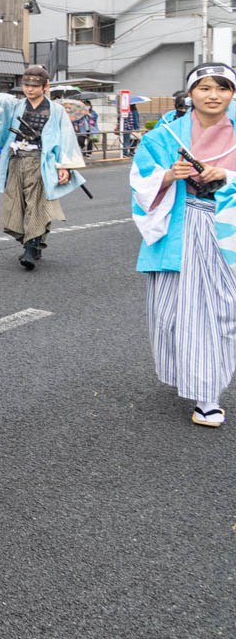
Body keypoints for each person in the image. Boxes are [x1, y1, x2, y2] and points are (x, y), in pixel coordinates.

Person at [131, 62, 236, 428]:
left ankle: (208, 391)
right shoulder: (165, 136)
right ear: (190, 94)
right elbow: (140, 181)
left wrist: (228, 175)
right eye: (205, 88)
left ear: (232, 94)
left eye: (222, 88)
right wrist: (166, 177)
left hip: (226, 230)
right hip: (179, 228)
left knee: (221, 311)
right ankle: (197, 383)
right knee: (176, 313)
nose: (213, 95)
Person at [0, 65, 86, 270]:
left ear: (45, 86)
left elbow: (66, 138)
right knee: (16, 204)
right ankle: (32, 242)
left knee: (36, 204)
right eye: (26, 84)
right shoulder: (16, 105)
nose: (29, 89)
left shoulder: (56, 111)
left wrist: (65, 166)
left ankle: (30, 248)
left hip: (41, 162)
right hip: (16, 160)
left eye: (34, 86)